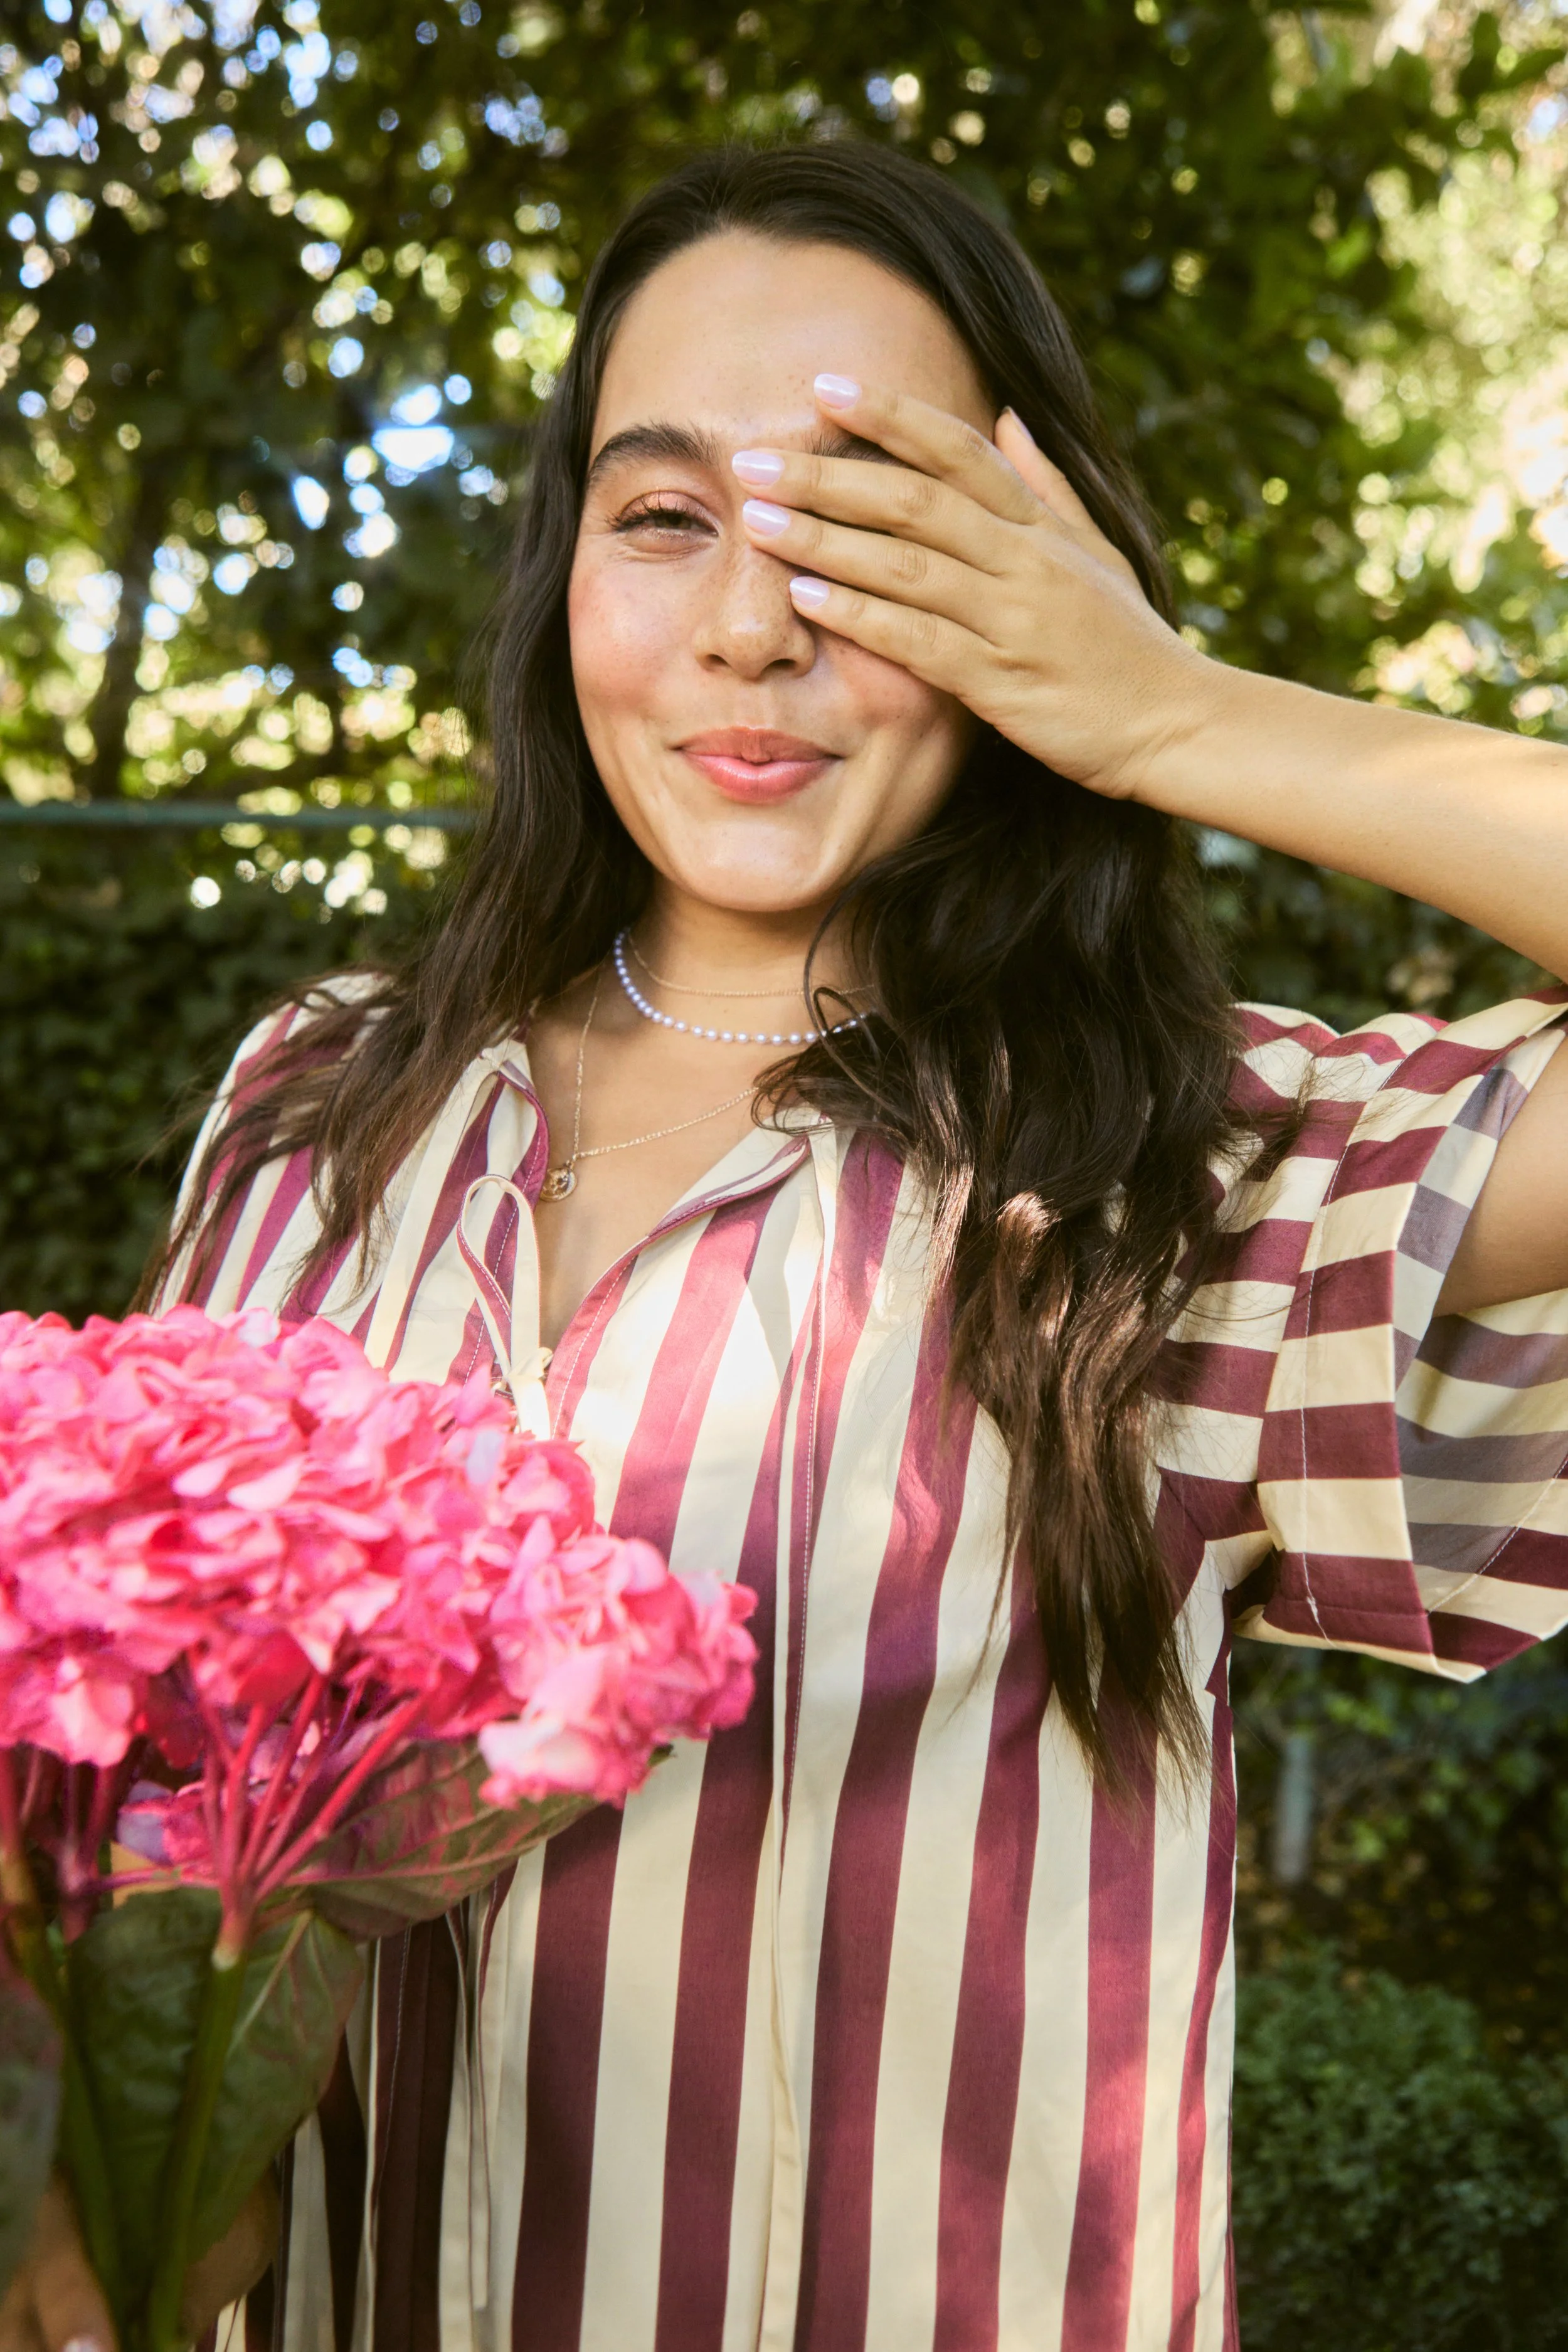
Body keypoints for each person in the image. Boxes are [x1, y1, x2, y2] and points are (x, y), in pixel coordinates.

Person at [8, 140, 1568, 2352]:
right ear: (563, 577)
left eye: (866, 528)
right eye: (666, 517)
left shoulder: (1171, 1178)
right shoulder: (307, 1112)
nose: (753, 618)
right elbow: (126, 1801)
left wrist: (1173, 716)